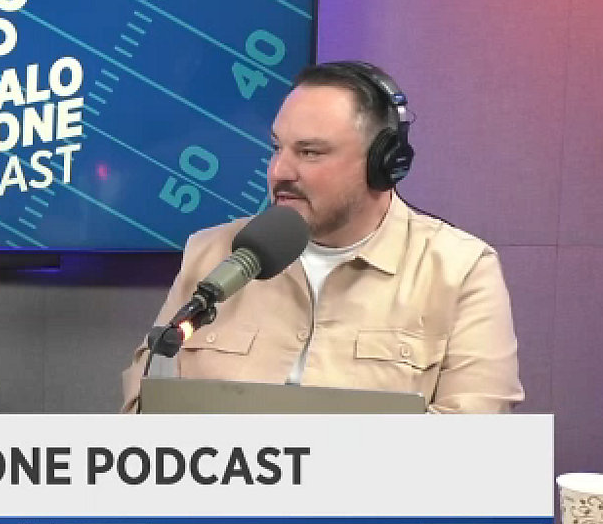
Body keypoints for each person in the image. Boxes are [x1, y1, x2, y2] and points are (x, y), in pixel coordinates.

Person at [122, 61, 523, 414]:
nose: (279, 171)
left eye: (310, 153)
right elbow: (144, 412)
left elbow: (473, 442)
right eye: (277, 148)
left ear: (383, 163)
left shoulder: (460, 270)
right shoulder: (212, 254)